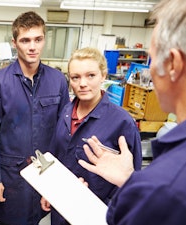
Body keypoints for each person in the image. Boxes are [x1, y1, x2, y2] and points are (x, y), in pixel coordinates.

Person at [78, 0, 186, 224]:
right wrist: (129, 179)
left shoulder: (165, 188)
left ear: (173, 64)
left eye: (152, 57)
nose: (150, 71)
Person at [0, 11, 70, 225]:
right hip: (12, 174)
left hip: (46, 171)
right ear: (14, 43)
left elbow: (64, 131)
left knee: (38, 217)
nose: (32, 46)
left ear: (44, 40)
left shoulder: (57, 80)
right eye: (25, 40)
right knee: (13, 219)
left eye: (38, 39)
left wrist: (65, 176)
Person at [40, 47, 142, 225]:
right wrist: (49, 190)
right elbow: (55, 156)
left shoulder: (122, 122)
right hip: (62, 207)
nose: (82, 83)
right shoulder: (65, 112)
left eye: (91, 75)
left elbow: (132, 178)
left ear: (103, 76)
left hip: (96, 214)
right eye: (75, 77)